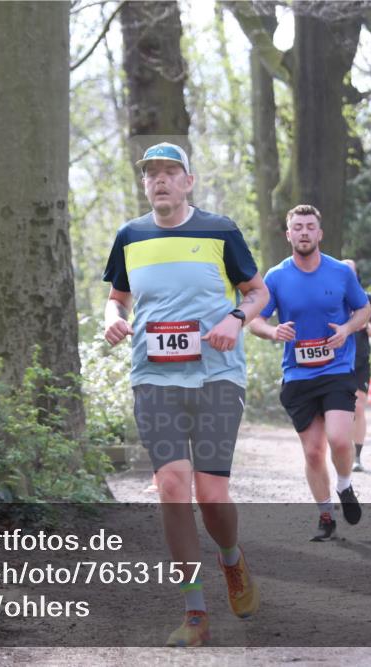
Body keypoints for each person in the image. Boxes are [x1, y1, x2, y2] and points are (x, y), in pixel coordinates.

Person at [103, 142, 268, 647]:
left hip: (217, 375)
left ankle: (232, 558)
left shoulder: (220, 230)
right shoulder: (130, 236)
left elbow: (258, 292)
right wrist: (113, 321)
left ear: (188, 181)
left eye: (170, 172)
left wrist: (234, 320)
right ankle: (195, 613)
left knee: (211, 495)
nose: (160, 181)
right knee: (172, 487)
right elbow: (115, 298)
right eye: (152, 173)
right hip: (153, 377)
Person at [248, 204, 371, 542]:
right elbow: (254, 318)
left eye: (309, 227)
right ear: (288, 235)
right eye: (297, 227)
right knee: (314, 452)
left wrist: (346, 329)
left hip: (336, 369)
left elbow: (364, 308)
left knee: (339, 439)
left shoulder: (340, 272)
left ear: (319, 233)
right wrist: (273, 332)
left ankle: (345, 485)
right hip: (299, 375)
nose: (303, 232)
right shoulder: (275, 276)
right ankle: (326, 516)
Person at [342, 259, 371, 472]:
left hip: (360, 360)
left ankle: (357, 457)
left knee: (357, 407)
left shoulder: (366, 299)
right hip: (336, 360)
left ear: (356, 274)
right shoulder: (332, 296)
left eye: (350, 270)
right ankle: (341, 448)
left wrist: (370, 327)